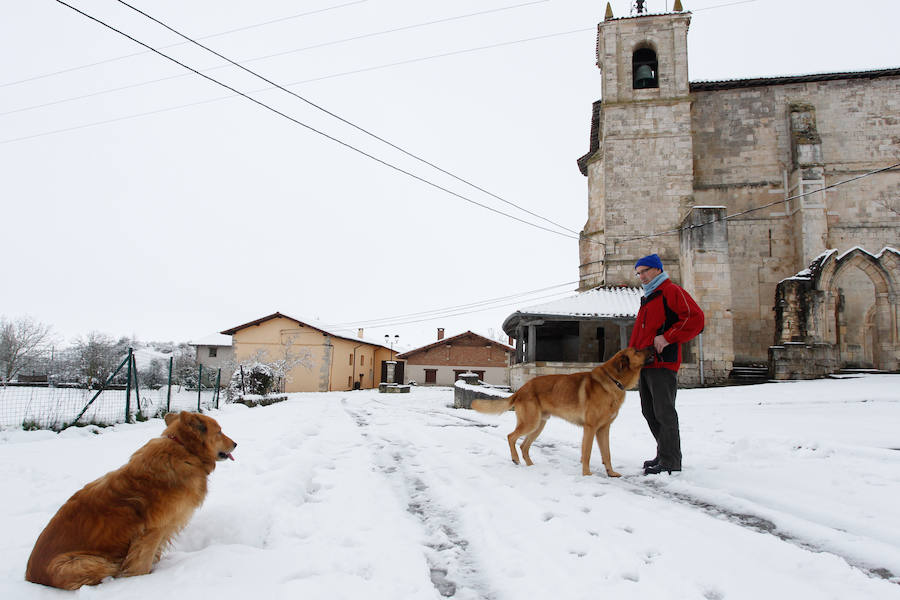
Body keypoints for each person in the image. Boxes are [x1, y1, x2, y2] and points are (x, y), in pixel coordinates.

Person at [628, 253, 705, 475]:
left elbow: (695, 318)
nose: (641, 276)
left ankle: (671, 460)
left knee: (664, 412)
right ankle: (663, 453)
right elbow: (642, 333)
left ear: (657, 270)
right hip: (646, 363)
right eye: (638, 272)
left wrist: (667, 337)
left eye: (644, 271)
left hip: (663, 363)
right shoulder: (649, 296)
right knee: (649, 411)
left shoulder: (670, 291)